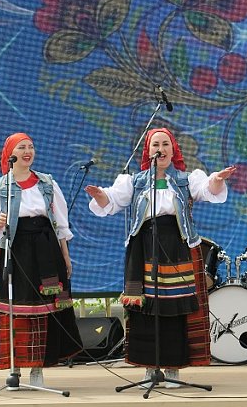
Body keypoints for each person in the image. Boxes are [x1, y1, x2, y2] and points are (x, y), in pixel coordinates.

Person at [86, 128, 235, 388]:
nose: (161, 149)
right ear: (148, 150)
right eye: (156, 144)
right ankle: (149, 367)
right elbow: (112, 200)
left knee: (176, 308)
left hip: (178, 246)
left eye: (166, 144)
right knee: (146, 309)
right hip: (144, 248)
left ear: (173, 149)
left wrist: (217, 180)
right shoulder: (135, 182)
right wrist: (100, 195)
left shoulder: (186, 179)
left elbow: (207, 190)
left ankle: (173, 368)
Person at [0, 132, 82, 388]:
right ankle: (15, 367)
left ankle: (38, 369)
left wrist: (66, 256)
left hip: (47, 250)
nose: (28, 151)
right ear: (10, 154)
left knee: (45, 310)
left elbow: (60, 224)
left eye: (31, 147)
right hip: (16, 251)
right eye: (22, 147)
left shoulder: (47, 184)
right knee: (17, 310)